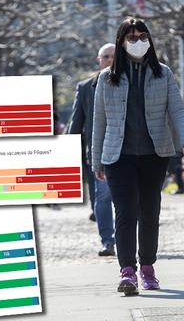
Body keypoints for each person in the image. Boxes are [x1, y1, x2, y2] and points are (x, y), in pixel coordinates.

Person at [91, 18, 184, 295]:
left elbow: (178, 110)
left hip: (154, 154)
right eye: (132, 37)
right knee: (125, 212)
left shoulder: (163, 73)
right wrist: (96, 160)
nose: (138, 42)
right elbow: (98, 120)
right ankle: (127, 271)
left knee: (150, 212)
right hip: (117, 155)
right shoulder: (106, 78)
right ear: (122, 42)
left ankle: (147, 267)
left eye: (142, 36)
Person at [67, 43, 116, 257]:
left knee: (128, 199)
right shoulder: (86, 87)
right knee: (102, 198)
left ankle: (127, 240)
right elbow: (77, 121)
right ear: (99, 60)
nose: (109, 60)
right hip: (98, 154)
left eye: (114, 56)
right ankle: (108, 241)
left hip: (127, 151)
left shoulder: (132, 82)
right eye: (105, 57)